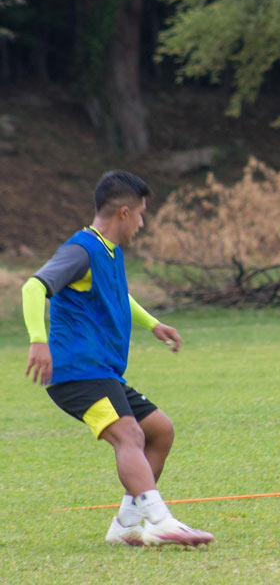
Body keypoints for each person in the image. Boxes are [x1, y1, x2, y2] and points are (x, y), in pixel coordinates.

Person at [21, 170, 214, 547]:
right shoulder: (80, 250)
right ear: (124, 212)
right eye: (141, 214)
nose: (142, 223)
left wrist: (152, 323)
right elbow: (34, 286)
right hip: (75, 372)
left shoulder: (110, 253)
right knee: (129, 434)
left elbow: (114, 297)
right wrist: (37, 340)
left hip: (101, 371)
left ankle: (126, 525)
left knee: (160, 430)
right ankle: (159, 521)